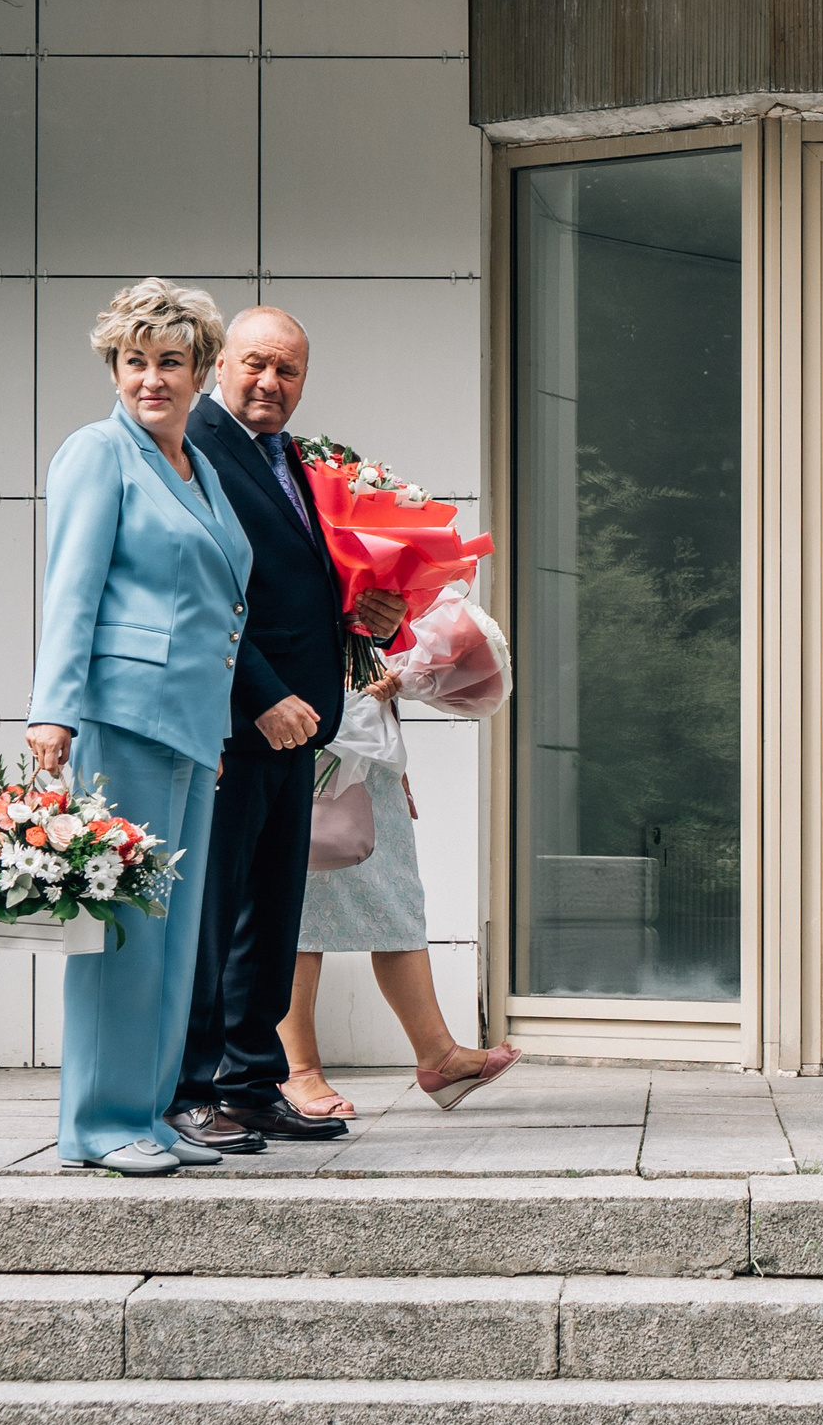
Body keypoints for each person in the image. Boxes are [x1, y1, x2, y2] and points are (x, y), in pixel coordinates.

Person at [26, 279, 252, 1176]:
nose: (151, 378)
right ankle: (98, 1120)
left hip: (191, 728)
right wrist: (53, 708)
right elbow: (70, 587)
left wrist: (217, 732)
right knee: (122, 929)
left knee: (172, 931)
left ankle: (149, 1112)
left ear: (199, 370)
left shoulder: (194, 464)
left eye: (170, 361)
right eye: (135, 361)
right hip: (121, 717)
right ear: (114, 368)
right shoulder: (98, 453)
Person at [168, 307, 407, 1152]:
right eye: (257, 364)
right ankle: (190, 1088)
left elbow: (296, 582)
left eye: (290, 371)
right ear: (221, 363)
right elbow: (205, 597)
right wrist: (262, 696)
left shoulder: (288, 458)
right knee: (212, 912)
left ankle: (253, 1080)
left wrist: (364, 613)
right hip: (234, 723)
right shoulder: (193, 446)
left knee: (269, 915)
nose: (271, 383)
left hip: (300, 725)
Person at [276, 668, 524, 1117]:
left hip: (367, 747)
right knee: (297, 913)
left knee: (396, 905)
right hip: (303, 732)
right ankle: (298, 1070)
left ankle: (438, 1055)